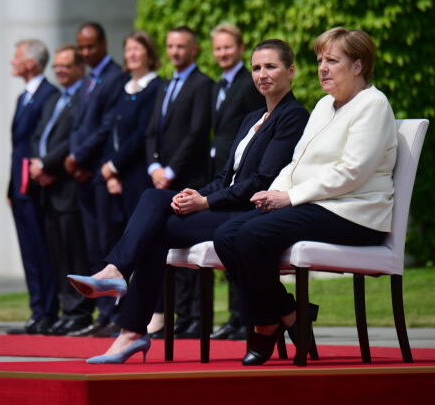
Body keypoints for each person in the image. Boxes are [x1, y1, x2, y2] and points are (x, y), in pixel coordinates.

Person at [68, 39, 309, 363]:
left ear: (290, 71)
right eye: (256, 68)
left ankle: (128, 319)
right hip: (225, 204)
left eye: (271, 67)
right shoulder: (252, 117)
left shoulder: (294, 116)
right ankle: (126, 314)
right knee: (154, 202)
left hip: (249, 213)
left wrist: (205, 203)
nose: (262, 74)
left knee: (155, 227)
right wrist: (195, 195)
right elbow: (225, 176)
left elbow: (260, 181)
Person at [213, 27, 397, 366]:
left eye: (332, 61)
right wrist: (275, 192)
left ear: (358, 65)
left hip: (355, 214)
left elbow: (352, 172)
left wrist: (291, 197)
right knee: (226, 235)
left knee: (252, 235)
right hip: (319, 204)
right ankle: (288, 312)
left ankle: (266, 325)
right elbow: (297, 162)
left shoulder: (373, 105)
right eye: (320, 61)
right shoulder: (325, 105)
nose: (322, 68)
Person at [144, 26, 214, 339]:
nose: (174, 51)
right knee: (172, 248)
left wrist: (170, 171)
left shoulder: (203, 84)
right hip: (163, 178)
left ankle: (197, 316)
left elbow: (197, 133)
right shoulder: (164, 84)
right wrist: (154, 166)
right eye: (171, 46)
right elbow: (151, 131)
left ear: (194, 49)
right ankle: (181, 315)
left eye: (181, 46)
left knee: (192, 248)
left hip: (189, 179)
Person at [95, 31, 162, 337]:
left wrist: (114, 166)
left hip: (138, 175)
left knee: (142, 245)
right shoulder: (123, 87)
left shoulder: (155, 87)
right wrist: (110, 172)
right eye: (129, 49)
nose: (133, 55)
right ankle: (120, 313)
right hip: (118, 179)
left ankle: (150, 312)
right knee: (119, 242)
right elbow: (112, 131)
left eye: (138, 49)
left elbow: (141, 135)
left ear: (149, 53)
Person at [62, 22, 126, 336]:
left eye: (90, 46)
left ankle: (116, 314)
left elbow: (107, 127)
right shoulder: (89, 79)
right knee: (92, 246)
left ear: (103, 44)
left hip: (101, 172)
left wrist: (81, 158)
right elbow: (79, 126)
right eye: (81, 47)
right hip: (83, 174)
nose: (85, 52)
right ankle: (102, 314)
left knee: (106, 243)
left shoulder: (115, 77)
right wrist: (75, 160)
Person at [209, 24, 266, 341]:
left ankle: (243, 317)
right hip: (222, 171)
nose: (222, 53)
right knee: (227, 246)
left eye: (228, 47)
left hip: (242, 175)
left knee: (234, 242)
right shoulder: (219, 84)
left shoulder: (249, 83)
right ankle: (234, 317)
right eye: (218, 48)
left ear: (241, 48)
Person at [28, 44, 87, 335]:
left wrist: (46, 165)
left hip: (67, 185)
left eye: (67, 65)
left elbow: (72, 140)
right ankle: (66, 309)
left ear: (79, 68)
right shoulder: (55, 99)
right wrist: (37, 164)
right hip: (47, 187)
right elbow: (38, 135)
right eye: (57, 66)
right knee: (57, 253)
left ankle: (79, 310)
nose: (60, 70)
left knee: (74, 251)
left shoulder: (82, 97)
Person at [5, 39, 59, 335]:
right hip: (20, 184)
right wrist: (10, 187)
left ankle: (47, 311)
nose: (12, 62)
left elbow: (41, 140)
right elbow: (17, 147)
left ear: (30, 63)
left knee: (41, 248)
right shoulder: (22, 97)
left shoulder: (49, 95)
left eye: (17, 57)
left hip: (37, 184)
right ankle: (37, 309)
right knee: (28, 250)